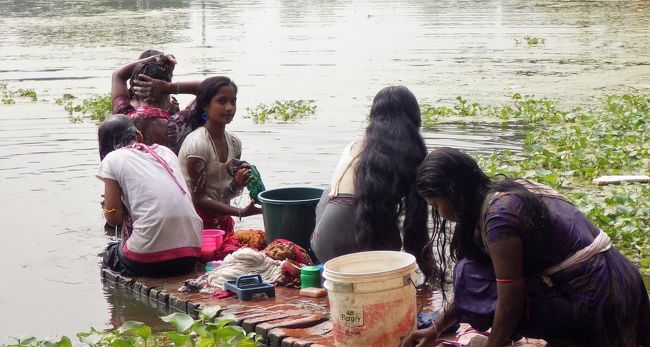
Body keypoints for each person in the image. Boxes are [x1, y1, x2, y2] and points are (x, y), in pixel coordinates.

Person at [401, 147, 650, 347]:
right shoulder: (503, 194)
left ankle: (574, 337)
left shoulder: (500, 216)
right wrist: (435, 328)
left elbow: (510, 301)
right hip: (619, 283)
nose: (440, 214)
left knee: (472, 275)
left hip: (602, 296)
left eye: (437, 205)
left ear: (454, 193)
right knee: (472, 270)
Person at [310, 85, 435, 280]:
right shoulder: (410, 153)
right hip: (361, 244)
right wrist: (434, 277)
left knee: (329, 191)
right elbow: (415, 229)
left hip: (321, 244)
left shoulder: (354, 145)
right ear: (413, 118)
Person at [97, 114, 202, 277]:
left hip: (149, 260)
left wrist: (108, 207)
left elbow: (113, 219)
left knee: (110, 253)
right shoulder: (165, 152)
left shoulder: (112, 159)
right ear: (138, 135)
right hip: (192, 253)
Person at [178, 76, 262, 235]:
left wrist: (237, 183)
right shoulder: (198, 144)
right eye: (222, 101)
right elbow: (199, 199)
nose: (230, 108)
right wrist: (240, 212)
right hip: (195, 224)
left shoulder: (234, 142)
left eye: (233, 101)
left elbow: (223, 193)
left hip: (222, 220)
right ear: (205, 106)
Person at [111, 53, 199, 147]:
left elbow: (118, 75)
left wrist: (156, 58)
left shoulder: (123, 116)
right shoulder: (178, 124)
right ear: (167, 92)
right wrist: (170, 87)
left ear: (135, 93)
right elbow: (210, 88)